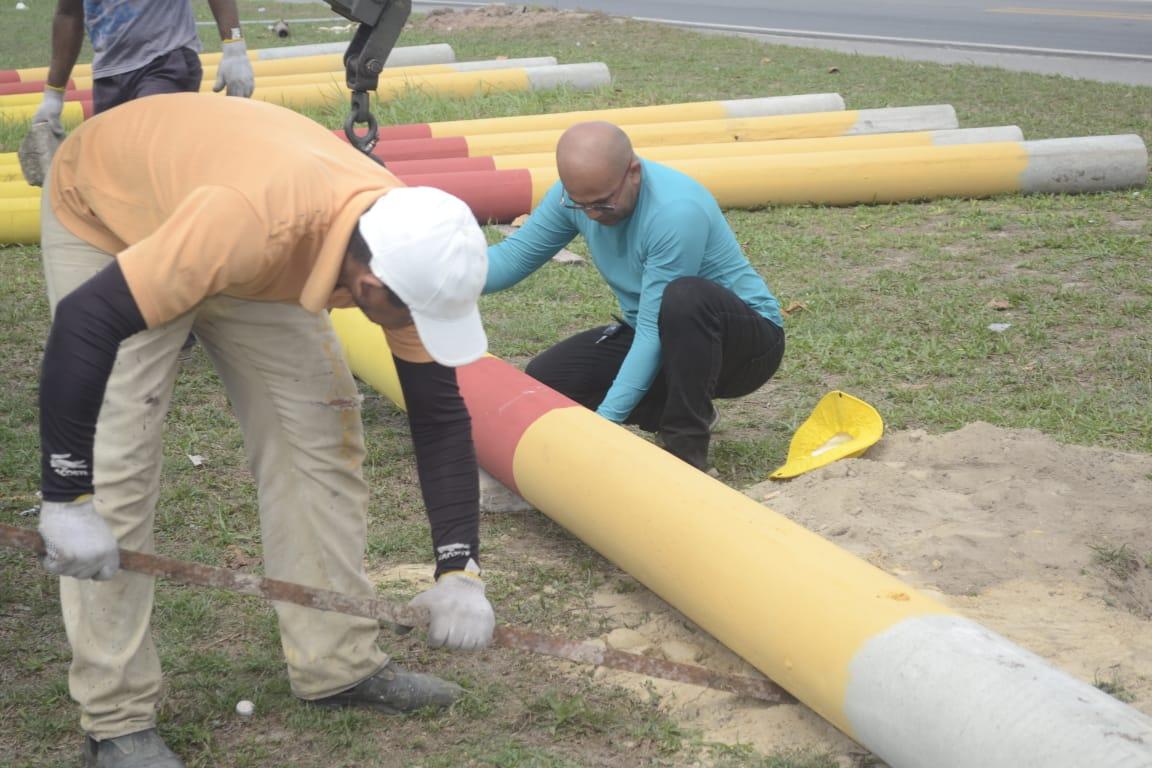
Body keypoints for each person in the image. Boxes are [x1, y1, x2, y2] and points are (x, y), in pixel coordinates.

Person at [35, 93, 494, 768]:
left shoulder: (408, 236)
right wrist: (64, 494)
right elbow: (85, 323)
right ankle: (117, 721)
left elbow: (438, 410)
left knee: (323, 433)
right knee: (116, 468)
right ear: (367, 284)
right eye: (412, 316)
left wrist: (460, 567)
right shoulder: (255, 222)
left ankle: (336, 663)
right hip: (114, 215)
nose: (417, 333)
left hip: (235, 225)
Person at [484, 121, 786, 471]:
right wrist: (438, 278)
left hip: (744, 348)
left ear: (634, 173)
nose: (592, 215)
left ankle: (685, 451)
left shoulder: (675, 211)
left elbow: (653, 331)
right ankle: (678, 408)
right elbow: (510, 259)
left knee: (685, 297)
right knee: (551, 376)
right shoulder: (577, 197)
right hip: (668, 336)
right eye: (581, 205)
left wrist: (604, 427)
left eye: (602, 205)